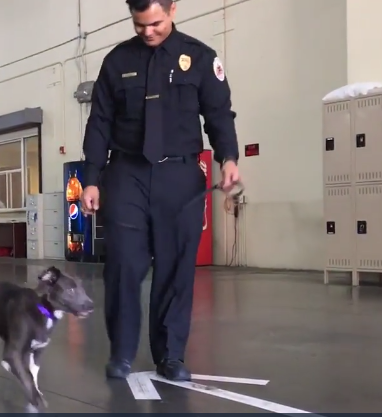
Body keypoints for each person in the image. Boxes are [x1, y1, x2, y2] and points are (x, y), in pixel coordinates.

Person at [81, 0, 241, 382]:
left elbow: (219, 114)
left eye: (155, 23)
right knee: (123, 265)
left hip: (181, 175)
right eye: (139, 25)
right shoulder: (117, 62)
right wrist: (91, 177)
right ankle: (120, 353)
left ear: (173, 8)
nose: (148, 31)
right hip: (127, 173)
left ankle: (170, 355)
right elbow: (99, 121)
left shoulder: (200, 58)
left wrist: (229, 158)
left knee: (175, 267)